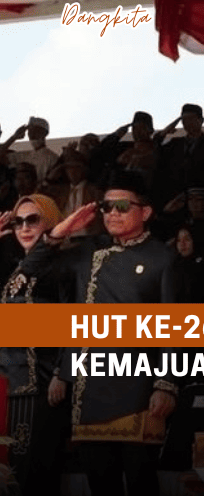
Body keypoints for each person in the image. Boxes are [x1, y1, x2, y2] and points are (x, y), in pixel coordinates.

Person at [23, 171, 179, 496]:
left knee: (141, 484)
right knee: (100, 484)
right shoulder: (89, 251)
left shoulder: (163, 258)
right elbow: (33, 269)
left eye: (122, 206)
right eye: (107, 207)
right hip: (90, 391)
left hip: (139, 390)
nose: (112, 214)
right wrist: (60, 232)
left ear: (145, 212)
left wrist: (166, 384)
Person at [0, 194, 69, 496]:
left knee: (32, 479)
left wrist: (62, 373)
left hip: (42, 386)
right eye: (18, 222)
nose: (24, 228)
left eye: (33, 220)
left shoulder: (64, 267)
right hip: (7, 387)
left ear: (51, 222)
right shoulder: (10, 269)